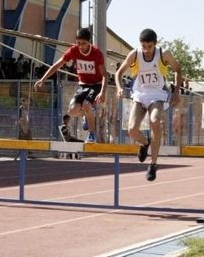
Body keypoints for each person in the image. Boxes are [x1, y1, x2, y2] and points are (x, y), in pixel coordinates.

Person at [115, 28, 182, 181]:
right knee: (132, 130)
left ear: (155, 44)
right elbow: (119, 73)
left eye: (149, 47)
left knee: (155, 121)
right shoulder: (135, 54)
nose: (146, 50)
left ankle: (153, 163)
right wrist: (119, 88)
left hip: (157, 94)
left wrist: (176, 92)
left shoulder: (164, 54)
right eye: (143, 46)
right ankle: (145, 143)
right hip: (139, 94)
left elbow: (178, 69)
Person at [34, 28, 107, 143]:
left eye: (84, 43)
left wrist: (102, 91)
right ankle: (87, 116)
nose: (81, 46)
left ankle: (92, 134)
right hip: (83, 85)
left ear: (89, 42)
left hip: (95, 85)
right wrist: (43, 79)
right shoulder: (73, 51)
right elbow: (57, 65)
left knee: (87, 105)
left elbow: (104, 75)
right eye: (78, 43)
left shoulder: (96, 53)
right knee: (72, 111)